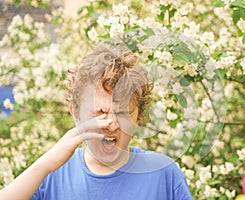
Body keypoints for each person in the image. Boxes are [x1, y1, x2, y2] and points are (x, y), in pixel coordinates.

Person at [0, 43, 193, 200]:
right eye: (100, 112)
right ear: (75, 112)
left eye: (123, 113)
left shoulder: (164, 174)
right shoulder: (50, 176)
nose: (112, 123)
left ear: (138, 118)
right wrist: (42, 166)